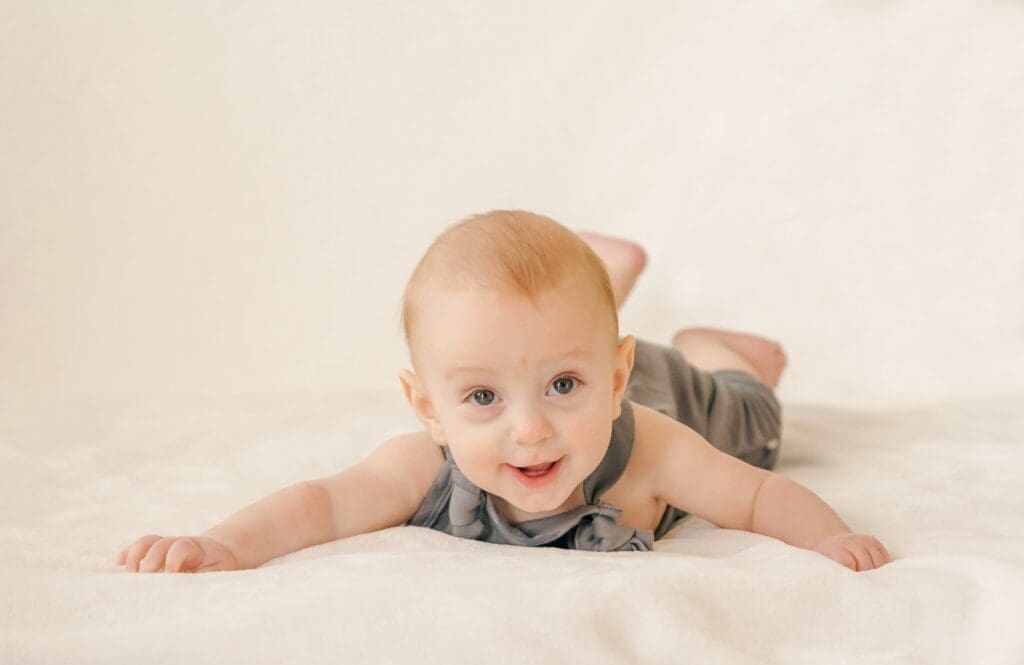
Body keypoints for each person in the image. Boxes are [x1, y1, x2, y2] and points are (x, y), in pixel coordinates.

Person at [115, 210, 893, 573]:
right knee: (542, 339)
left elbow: (757, 496)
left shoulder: (654, 450)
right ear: (427, 409)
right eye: (481, 398)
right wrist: (220, 545)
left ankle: (710, 344)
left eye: (558, 387)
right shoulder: (422, 461)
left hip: (677, 393)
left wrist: (828, 538)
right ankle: (595, 293)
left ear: (612, 377)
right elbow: (321, 502)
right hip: (586, 351)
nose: (529, 432)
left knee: (753, 412)